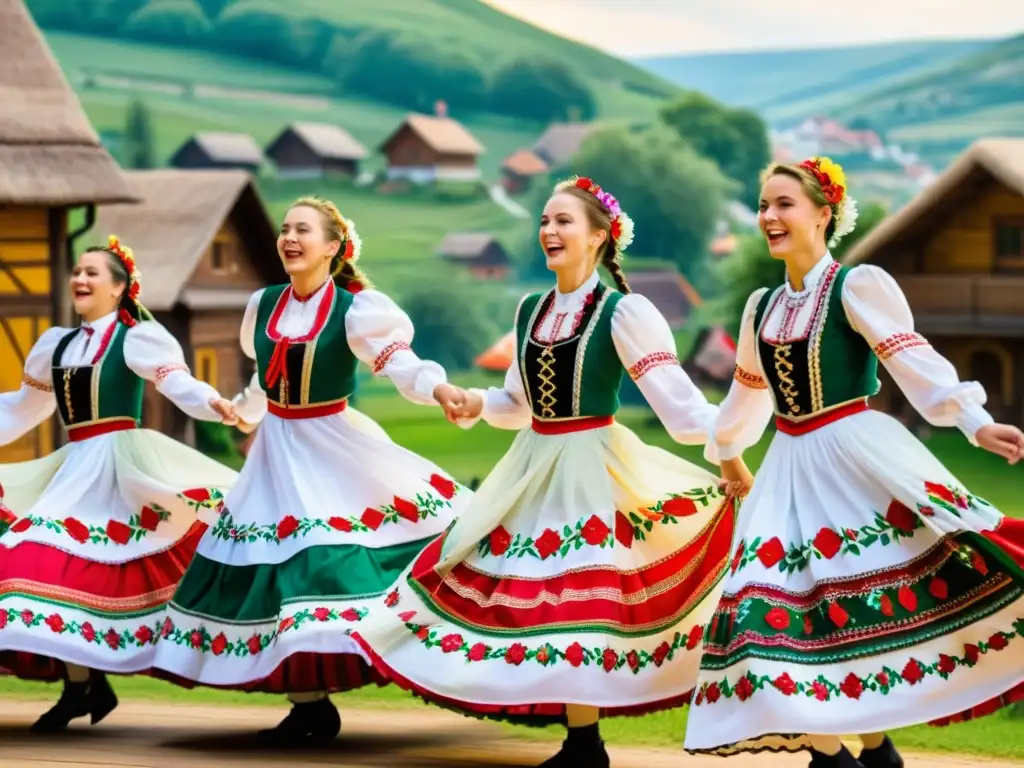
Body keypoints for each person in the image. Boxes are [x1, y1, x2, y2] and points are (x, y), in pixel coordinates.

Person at [350, 177, 744, 767]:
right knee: (509, 586)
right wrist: (475, 402)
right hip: (535, 465)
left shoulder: (624, 312)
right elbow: (517, 403)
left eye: (563, 221)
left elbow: (679, 404)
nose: (549, 231)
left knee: (577, 598)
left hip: (594, 464)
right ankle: (582, 742)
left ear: (599, 236)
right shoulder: (530, 309)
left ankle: (587, 744)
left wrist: (729, 448)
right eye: (544, 221)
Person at [683, 157, 1024, 768]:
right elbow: (745, 399)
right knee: (771, 614)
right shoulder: (761, 306)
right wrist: (727, 451)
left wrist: (975, 421)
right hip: (787, 466)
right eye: (763, 205)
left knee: (852, 608)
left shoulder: (855, 285)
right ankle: (850, 753)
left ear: (824, 212)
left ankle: (848, 755)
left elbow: (911, 361)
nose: (769, 216)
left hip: (852, 456)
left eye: (784, 204)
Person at [151, 197, 472, 745]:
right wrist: (244, 411)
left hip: (332, 445)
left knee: (326, 558)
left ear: (333, 247)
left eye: (303, 230)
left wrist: (439, 387)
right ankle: (309, 705)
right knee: (272, 566)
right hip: (276, 449)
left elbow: (399, 362)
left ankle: (416, 657)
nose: (289, 238)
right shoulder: (264, 304)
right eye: (284, 230)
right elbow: (264, 379)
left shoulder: (357, 308)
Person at [0, 236, 239, 733]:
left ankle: (85, 687)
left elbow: (176, 382)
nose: (80, 280)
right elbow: (23, 407)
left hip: (118, 464)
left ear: (119, 288)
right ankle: (82, 686)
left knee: (91, 562)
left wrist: (212, 402)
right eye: (78, 272)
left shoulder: (136, 338)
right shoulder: (57, 345)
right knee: (42, 561)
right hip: (73, 466)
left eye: (92, 273)